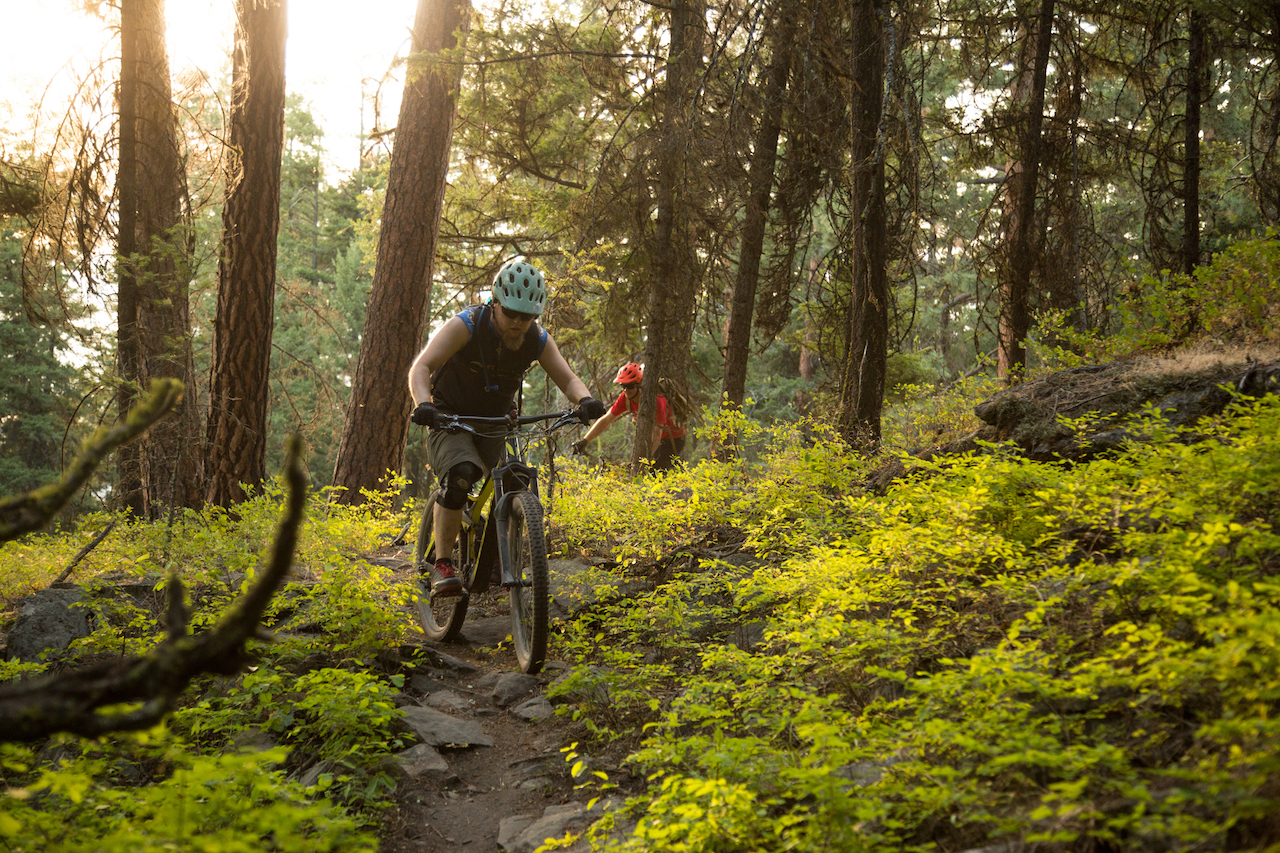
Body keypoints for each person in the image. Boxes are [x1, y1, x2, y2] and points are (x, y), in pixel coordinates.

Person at [408, 258, 606, 598]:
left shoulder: (537, 339)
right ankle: (442, 564)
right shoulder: (466, 325)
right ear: (494, 303)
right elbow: (421, 366)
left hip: (496, 421)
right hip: (448, 416)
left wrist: (585, 400)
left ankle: (495, 553)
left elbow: (568, 378)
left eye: (526, 317)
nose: (517, 323)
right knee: (461, 474)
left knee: (514, 477)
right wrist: (423, 405)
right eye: (510, 313)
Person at [571, 362, 686, 471]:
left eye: (630, 386)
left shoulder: (656, 400)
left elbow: (656, 436)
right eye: (623, 386)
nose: (626, 390)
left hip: (673, 438)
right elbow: (605, 420)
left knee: (656, 472)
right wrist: (585, 441)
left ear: (640, 384)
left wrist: (642, 461)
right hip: (652, 439)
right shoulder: (625, 398)